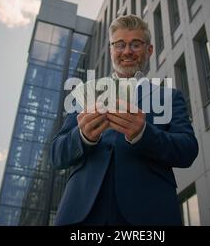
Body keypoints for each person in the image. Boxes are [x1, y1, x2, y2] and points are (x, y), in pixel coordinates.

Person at [50, 15, 199, 226]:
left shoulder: (169, 97)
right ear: (111, 50)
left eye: (135, 44)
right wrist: (83, 136)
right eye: (119, 44)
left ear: (149, 50)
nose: (127, 51)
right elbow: (57, 154)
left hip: (149, 214)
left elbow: (188, 150)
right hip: (81, 213)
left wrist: (143, 134)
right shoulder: (86, 93)